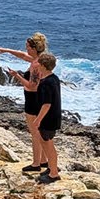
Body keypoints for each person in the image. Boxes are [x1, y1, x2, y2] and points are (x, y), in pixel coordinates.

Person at [0, 33, 49, 172]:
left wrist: (17, 76)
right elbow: (23, 56)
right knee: (40, 131)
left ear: (33, 48)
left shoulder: (35, 65)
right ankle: (44, 161)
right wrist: (6, 50)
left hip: (33, 99)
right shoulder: (40, 59)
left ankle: (36, 163)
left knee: (35, 132)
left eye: (27, 47)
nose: (25, 49)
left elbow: (32, 85)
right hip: (39, 98)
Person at [28, 52, 61, 184]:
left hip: (47, 119)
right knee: (48, 143)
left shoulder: (46, 83)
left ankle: (53, 174)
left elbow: (46, 104)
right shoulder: (54, 78)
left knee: (47, 145)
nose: (36, 64)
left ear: (43, 66)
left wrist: (37, 120)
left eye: (38, 62)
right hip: (53, 117)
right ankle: (52, 167)